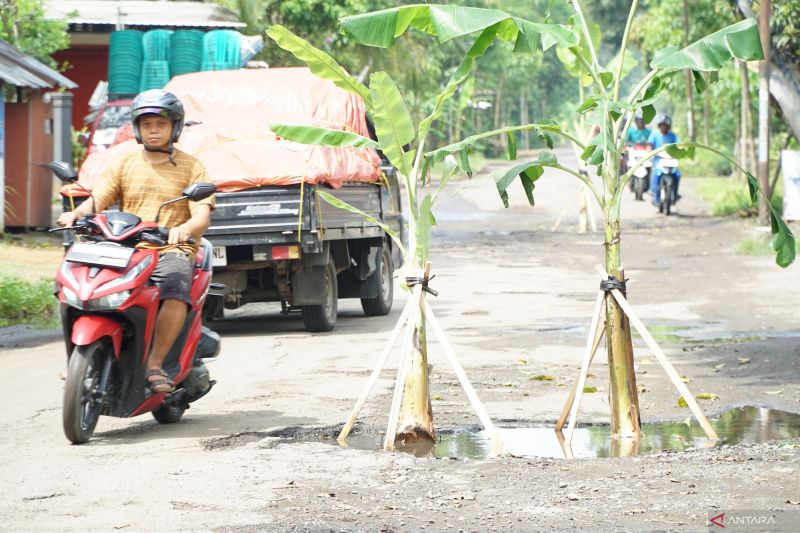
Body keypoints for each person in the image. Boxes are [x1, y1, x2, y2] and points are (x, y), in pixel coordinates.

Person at [57, 89, 215, 393]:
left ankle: (154, 364)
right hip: (125, 245)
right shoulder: (124, 162)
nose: (153, 130)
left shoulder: (192, 167)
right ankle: (77, 356)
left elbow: (201, 216)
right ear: (138, 129)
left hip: (169, 248)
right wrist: (76, 214)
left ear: (175, 128)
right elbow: (99, 198)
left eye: (160, 125)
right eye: (147, 125)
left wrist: (185, 229)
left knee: (175, 286)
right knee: (71, 280)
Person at [647, 114, 680, 206]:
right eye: (662, 125)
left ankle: (675, 194)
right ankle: (654, 195)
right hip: (658, 159)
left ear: (668, 126)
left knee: (677, 174)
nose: (663, 127)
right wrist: (651, 153)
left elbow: (679, 145)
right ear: (659, 125)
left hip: (671, 159)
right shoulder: (654, 135)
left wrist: (679, 152)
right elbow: (650, 145)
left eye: (665, 125)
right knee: (655, 174)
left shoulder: (673, 136)